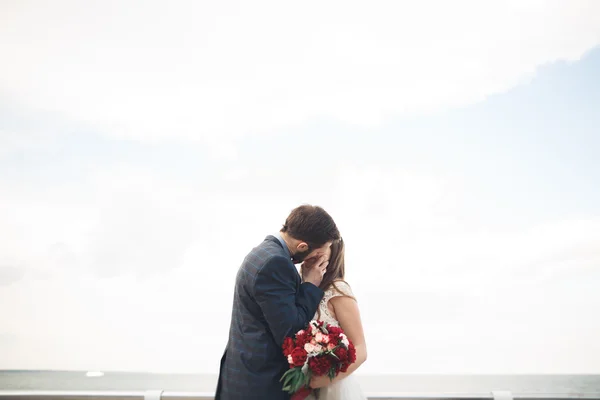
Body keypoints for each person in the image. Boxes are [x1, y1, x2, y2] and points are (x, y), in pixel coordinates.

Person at [215, 205, 341, 400]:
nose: (317, 260)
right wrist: (310, 285)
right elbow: (291, 331)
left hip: (240, 374)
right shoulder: (276, 263)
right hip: (259, 386)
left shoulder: (262, 251)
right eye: (317, 254)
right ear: (302, 246)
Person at [304, 238, 368, 400]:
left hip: (333, 388)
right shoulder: (300, 289)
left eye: (323, 247)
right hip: (303, 385)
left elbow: (360, 349)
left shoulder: (337, 289)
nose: (315, 251)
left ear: (334, 252)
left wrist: (326, 379)